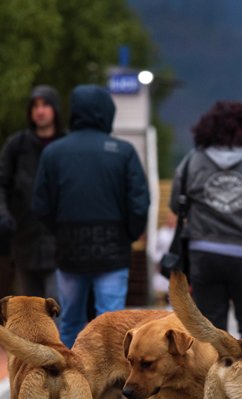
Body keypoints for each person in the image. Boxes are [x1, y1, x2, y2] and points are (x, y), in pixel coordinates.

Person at [32, 85, 149, 348]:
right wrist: (127, 235)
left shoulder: (53, 152)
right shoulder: (123, 151)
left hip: (69, 252)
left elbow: (40, 205)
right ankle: (109, 384)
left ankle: (70, 381)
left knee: (70, 320)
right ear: (107, 112)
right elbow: (139, 203)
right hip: (113, 252)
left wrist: (60, 231)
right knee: (112, 323)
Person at [169, 100, 242, 338]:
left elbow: (175, 204)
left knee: (207, 331)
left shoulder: (193, 161)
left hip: (205, 254)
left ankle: (210, 375)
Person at [0, 86, 65, 302]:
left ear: (55, 109)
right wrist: (2, 213)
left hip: (60, 244)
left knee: (57, 305)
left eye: (45, 105)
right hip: (24, 242)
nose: (40, 111)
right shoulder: (17, 144)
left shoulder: (66, 145)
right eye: (35, 106)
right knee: (33, 313)